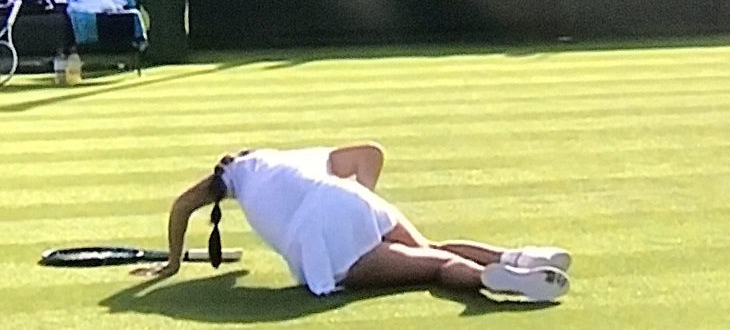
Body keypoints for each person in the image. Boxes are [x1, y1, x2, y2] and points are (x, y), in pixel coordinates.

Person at [132, 143, 572, 302]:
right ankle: (523, 257)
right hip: (351, 198)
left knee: (435, 266)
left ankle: (493, 279)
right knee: (431, 247)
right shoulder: (289, 158)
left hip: (323, 236)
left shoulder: (234, 181)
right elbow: (370, 154)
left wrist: (172, 266)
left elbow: (180, 207)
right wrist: (363, 213)